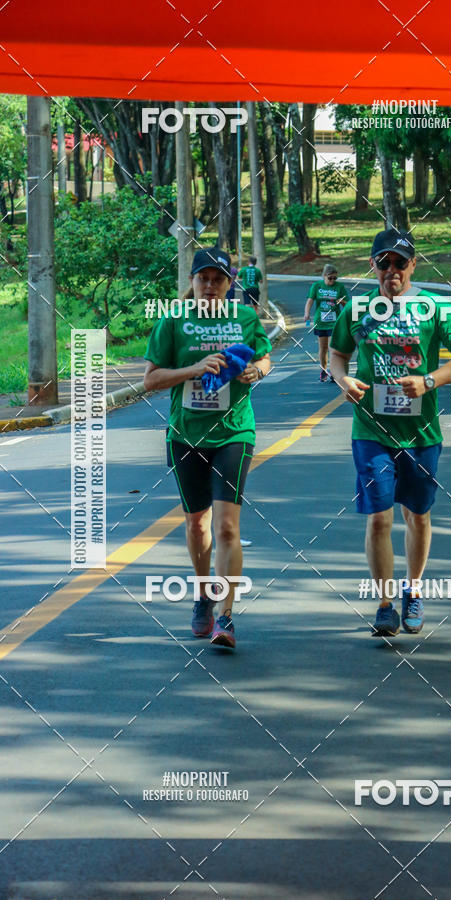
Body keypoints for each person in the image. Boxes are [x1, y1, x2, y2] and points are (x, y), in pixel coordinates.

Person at [329, 229, 451, 637]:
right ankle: (384, 604)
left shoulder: (434, 308)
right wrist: (343, 380)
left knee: (417, 515)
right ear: (373, 264)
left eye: (400, 262)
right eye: (383, 262)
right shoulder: (359, 309)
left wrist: (428, 381)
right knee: (379, 517)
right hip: (371, 431)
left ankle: (413, 590)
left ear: (414, 264)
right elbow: (338, 355)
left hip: (422, 433)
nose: (391, 270)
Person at [143, 247, 271, 649]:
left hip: (234, 431)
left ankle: (227, 617)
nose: (211, 286)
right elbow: (151, 380)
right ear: (193, 283)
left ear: (230, 283)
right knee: (197, 523)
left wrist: (256, 370)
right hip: (186, 434)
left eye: (219, 279)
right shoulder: (173, 321)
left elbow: (265, 357)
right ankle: (203, 595)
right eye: (204, 278)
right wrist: (194, 370)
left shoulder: (246, 318)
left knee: (227, 526)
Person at [304, 263, 349, 382]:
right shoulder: (317, 286)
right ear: (324, 276)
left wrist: (342, 301)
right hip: (321, 321)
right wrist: (307, 314)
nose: (333, 280)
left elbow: (347, 305)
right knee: (322, 348)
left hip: (334, 322)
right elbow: (310, 300)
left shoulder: (339, 287)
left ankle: (334, 372)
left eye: (335, 278)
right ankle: (323, 371)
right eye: (330, 278)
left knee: (332, 348)